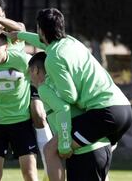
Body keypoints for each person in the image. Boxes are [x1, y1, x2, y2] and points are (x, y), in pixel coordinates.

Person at [6, 8, 132, 181]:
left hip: (104, 112)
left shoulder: (53, 58)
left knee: (51, 150)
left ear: (41, 30)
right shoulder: (72, 42)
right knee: (87, 151)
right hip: (123, 109)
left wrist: (49, 92)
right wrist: (20, 36)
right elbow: (43, 43)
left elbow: (69, 97)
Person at [0, 0, 52, 180]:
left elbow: (22, 30)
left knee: (39, 112)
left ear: (3, 13)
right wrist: (0, 75)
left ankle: (49, 164)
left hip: (23, 86)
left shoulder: (14, 30)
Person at [29, 52, 114, 181]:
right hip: (101, 149)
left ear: (35, 70)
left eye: (29, 72)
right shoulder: (65, 84)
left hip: (86, 154)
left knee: (49, 149)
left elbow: (63, 109)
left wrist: (64, 143)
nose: (29, 78)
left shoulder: (44, 88)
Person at [0, 32, 39, 181]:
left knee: (30, 174)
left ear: (6, 47)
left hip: (21, 122)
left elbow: (41, 73)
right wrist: (3, 74)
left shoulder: (22, 60)